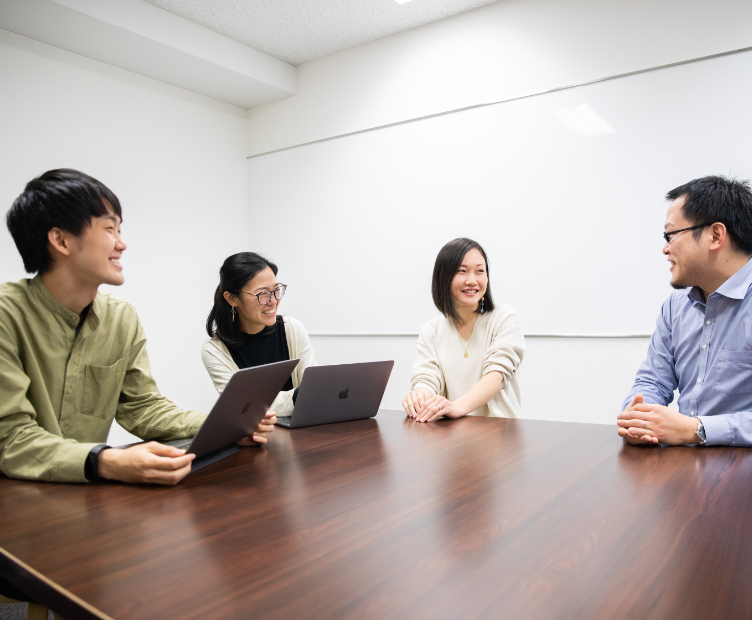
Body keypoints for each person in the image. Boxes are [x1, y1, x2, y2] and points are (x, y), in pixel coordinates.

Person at [0, 169, 275, 485]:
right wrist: (106, 460)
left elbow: (142, 408)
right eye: (109, 229)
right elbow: (11, 438)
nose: (122, 244)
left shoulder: (121, 318)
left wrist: (228, 426)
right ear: (61, 239)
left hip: (85, 499)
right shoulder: (7, 314)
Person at [618, 175, 752, 446]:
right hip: (684, 469)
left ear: (715, 235)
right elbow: (653, 381)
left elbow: (689, 429)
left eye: (671, 235)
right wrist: (639, 417)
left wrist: (697, 429)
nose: (665, 249)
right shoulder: (675, 306)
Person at [402, 237, 525, 422]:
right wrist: (419, 396)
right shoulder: (431, 330)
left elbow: (497, 374)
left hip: (500, 434)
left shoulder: (505, 317)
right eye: (462, 271)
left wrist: (457, 407)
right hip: (452, 437)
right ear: (444, 277)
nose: (472, 280)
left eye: (480, 271)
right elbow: (427, 378)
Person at [201, 252, 316, 417]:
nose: (273, 301)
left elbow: (314, 389)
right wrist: (300, 396)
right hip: (254, 436)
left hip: (302, 430)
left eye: (276, 290)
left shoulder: (292, 329)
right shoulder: (215, 350)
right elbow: (244, 405)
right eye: (262, 294)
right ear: (232, 298)